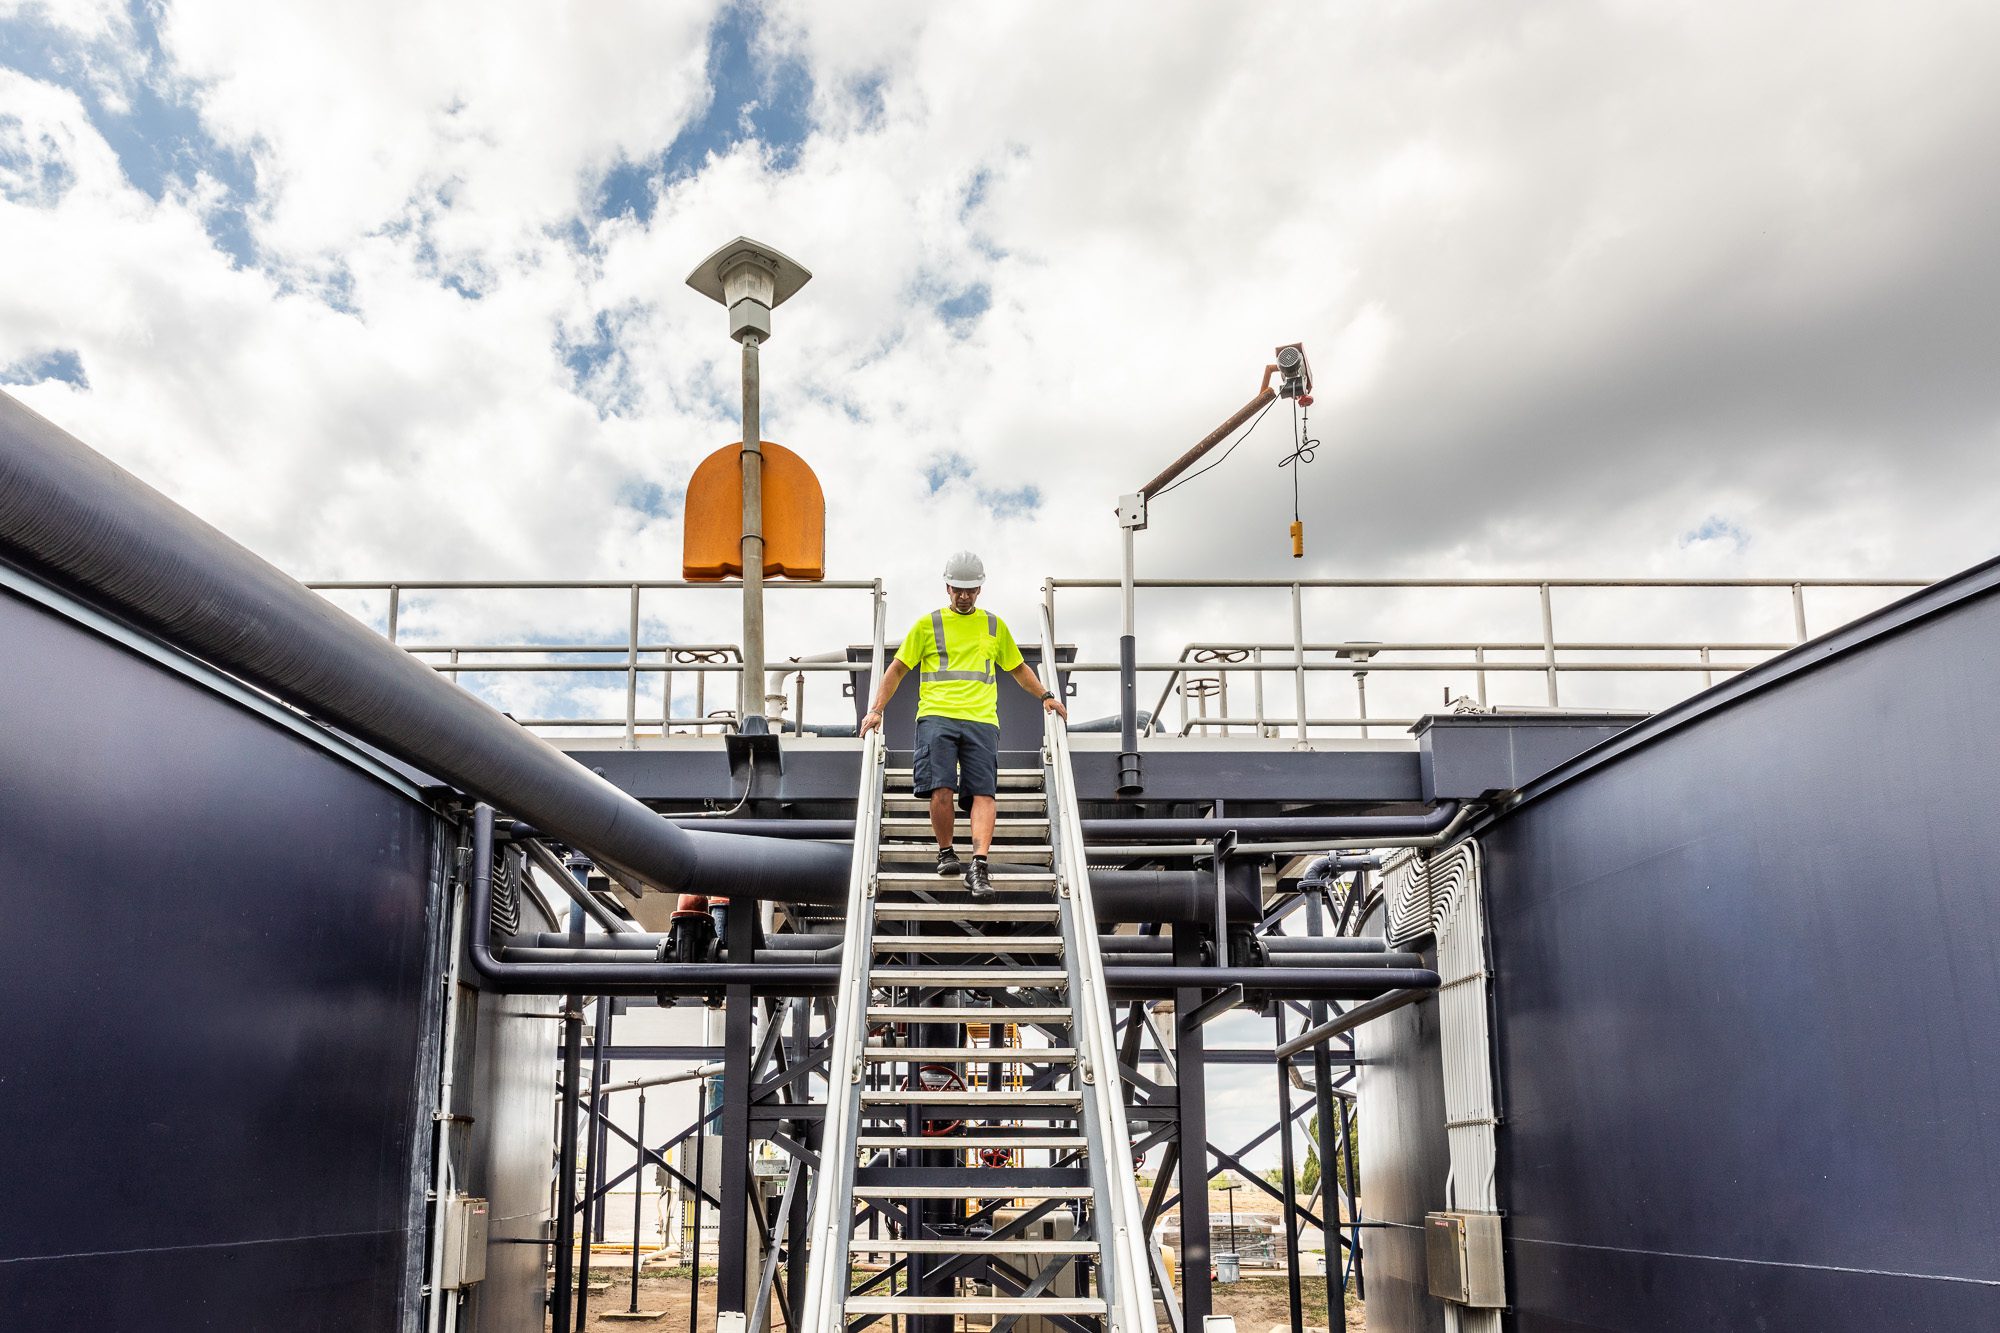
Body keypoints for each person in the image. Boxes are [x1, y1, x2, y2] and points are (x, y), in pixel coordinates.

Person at [860, 551, 1067, 897]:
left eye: (971, 590)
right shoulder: (928, 625)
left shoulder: (993, 626)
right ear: (947, 587)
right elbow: (896, 669)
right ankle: (946, 852)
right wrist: (876, 709)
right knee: (941, 788)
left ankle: (980, 866)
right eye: (958, 589)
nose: (964, 595)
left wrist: (1045, 694)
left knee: (984, 792)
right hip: (936, 717)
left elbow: (1017, 669)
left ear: (980, 589)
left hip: (982, 720)